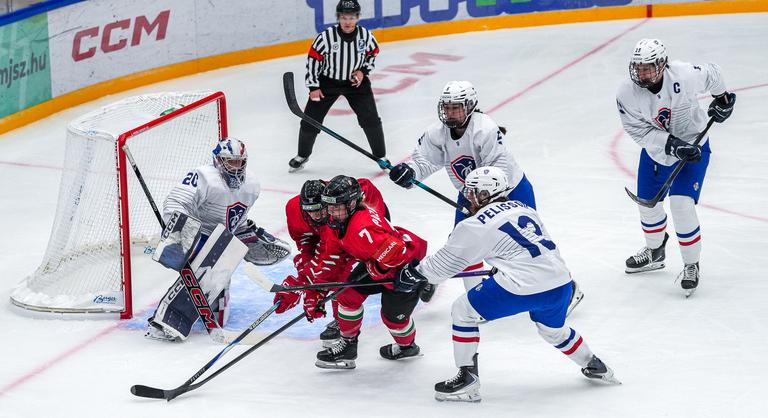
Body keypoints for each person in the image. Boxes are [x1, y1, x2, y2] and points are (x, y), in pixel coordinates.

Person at [394, 167, 619, 402]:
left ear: (485, 194)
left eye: (472, 192)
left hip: (524, 286)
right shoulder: (524, 208)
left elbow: (442, 266)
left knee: (463, 311)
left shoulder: (474, 225)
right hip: (561, 282)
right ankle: (593, 364)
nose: (467, 197)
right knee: (553, 331)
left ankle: (467, 380)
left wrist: (413, 273)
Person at [388, 81, 582, 311]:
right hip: (472, 196)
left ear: (470, 106)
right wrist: (411, 171)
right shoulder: (437, 134)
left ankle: (569, 289)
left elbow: (497, 175)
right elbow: (426, 160)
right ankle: (475, 300)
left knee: (530, 245)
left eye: (456, 107)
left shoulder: (485, 130)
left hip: (510, 192)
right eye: (447, 107)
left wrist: (483, 208)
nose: (450, 113)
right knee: (463, 243)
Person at [616, 39, 736, 296]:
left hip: (695, 146)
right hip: (658, 151)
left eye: (648, 67)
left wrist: (723, 98)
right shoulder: (626, 93)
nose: (642, 73)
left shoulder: (683, 74)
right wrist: (671, 144)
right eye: (638, 67)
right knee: (647, 204)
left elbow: (714, 73)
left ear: (662, 64)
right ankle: (655, 251)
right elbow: (637, 131)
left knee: (681, 205)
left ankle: (691, 264)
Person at [146, 138, 290, 341]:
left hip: (222, 239)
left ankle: (211, 303)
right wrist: (178, 234)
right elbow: (176, 202)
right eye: (229, 161)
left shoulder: (252, 184)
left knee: (219, 312)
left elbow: (237, 220)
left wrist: (248, 236)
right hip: (197, 234)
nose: (235, 166)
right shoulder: (204, 175)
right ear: (218, 160)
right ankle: (167, 321)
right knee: (211, 266)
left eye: (239, 162)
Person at [305, 175, 428, 369]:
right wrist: (318, 289)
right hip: (379, 260)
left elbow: (398, 252)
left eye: (336, 207)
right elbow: (334, 259)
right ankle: (348, 347)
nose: (331, 212)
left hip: (404, 268)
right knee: (347, 294)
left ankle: (408, 347)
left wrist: (377, 269)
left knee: (393, 319)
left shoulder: (363, 229)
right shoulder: (342, 219)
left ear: (352, 203)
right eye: (328, 206)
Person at [275, 177, 388, 346]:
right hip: (335, 232)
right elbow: (307, 247)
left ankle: (425, 274)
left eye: (319, 210)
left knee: (347, 272)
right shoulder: (294, 209)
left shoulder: (338, 214)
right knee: (326, 273)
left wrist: (306, 286)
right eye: (309, 212)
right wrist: (307, 284)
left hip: (364, 227)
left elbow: (333, 259)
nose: (315, 216)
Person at [289, 0, 387, 172]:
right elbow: (313, 61)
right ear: (338, 18)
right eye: (344, 17)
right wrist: (313, 87)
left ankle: (381, 156)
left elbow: (373, 53)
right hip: (328, 83)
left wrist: (363, 71)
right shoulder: (326, 37)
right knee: (310, 120)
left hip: (356, 85)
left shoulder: (366, 36)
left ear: (357, 18)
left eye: (351, 17)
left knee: (371, 119)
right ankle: (302, 155)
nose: (347, 21)